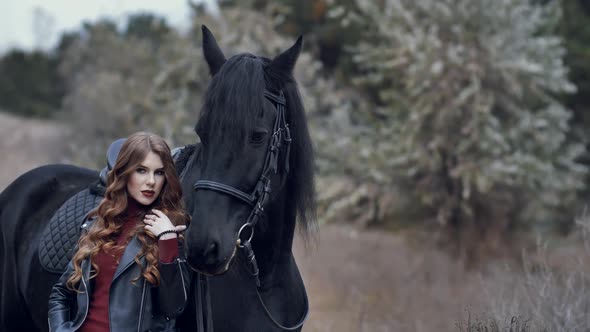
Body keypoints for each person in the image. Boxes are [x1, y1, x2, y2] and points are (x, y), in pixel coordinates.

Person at [48, 132, 191, 332]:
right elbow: (61, 294)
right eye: (141, 170)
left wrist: (167, 241)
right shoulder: (97, 223)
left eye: (159, 172)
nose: (151, 181)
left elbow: (174, 307)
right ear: (125, 173)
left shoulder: (170, 229)